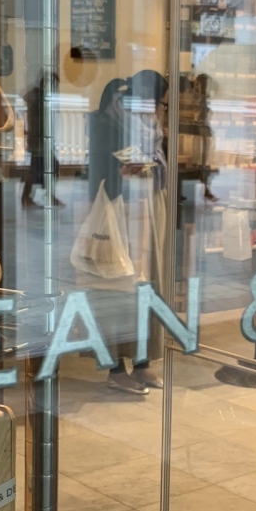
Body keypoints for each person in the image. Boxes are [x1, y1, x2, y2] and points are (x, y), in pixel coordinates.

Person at [87, 69, 168, 396]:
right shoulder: (107, 122)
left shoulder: (151, 127)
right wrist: (119, 173)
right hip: (118, 212)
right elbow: (94, 173)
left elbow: (157, 169)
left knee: (146, 286)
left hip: (147, 209)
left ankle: (142, 361)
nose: (162, 110)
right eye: (161, 102)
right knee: (117, 287)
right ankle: (116, 368)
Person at [22, 79, 63, 207]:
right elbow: (37, 122)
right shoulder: (38, 100)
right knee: (44, 168)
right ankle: (32, 196)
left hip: (38, 140)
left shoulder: (39, 99)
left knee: (40, 168)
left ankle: (32, 196)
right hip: (38, 141)